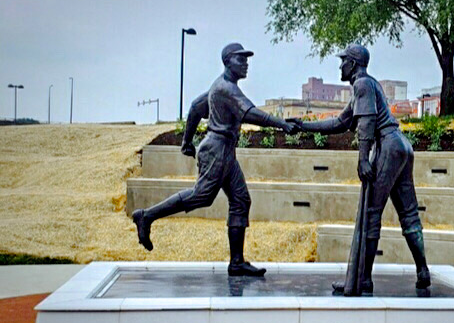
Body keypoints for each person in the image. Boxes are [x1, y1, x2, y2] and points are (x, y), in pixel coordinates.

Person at [133, 43, 297, 277]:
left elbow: (195, 108)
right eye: (241, 59)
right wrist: (281, 123)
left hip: (225, 151)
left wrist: (187, 141)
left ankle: (237, 262)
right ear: (228, 61)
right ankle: (146, 216)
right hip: (217, 149)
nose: (246, 64)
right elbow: (250, 114)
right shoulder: (225, 88)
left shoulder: (218, 88)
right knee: (202, 196)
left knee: (241, 200)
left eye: (246, 59)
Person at [297, 43, 431, 294]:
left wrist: (363, 159)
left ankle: (363, 280)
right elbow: (340, 123)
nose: (340, 66)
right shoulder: (368, 85)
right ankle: (422, 270)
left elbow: (366, 123)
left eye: (343, 61)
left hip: (388, 146)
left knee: (371, 213)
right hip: (402, 145)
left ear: (353, 64)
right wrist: (303, 126)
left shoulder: (361, 85)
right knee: (409, 214)